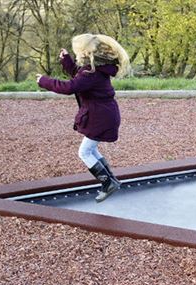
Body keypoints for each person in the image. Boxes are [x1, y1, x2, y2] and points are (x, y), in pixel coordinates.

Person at [36, 33, 131, 202]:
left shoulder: (91, 73)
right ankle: (111, 180)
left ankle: (108, 183)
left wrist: (44, 81)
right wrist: (67, 61)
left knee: (84, 152)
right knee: (91, 149)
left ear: (86, 53)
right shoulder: (94, 70)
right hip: (103, 114)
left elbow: (70, 87)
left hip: (100, 117)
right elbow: (78, 76)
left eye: (78, 52)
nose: (77, 55)